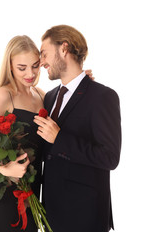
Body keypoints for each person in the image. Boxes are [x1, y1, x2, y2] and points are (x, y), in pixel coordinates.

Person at [0, 34, 95, 232]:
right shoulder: (5, 94)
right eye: (22, 68)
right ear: (10, 66)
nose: (30, 73)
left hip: (30, 196)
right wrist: (6, 169)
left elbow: (60, 127)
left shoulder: (42, 95)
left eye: (35, 65)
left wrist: (79, 83)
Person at [34, 25, 121, 232]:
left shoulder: (103, 97)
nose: (42, 62)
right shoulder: (50, 97)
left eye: (44, 54)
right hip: (51, 215)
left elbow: (109, 157)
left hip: (85, 216)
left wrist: (60, 138)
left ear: (64, 48)